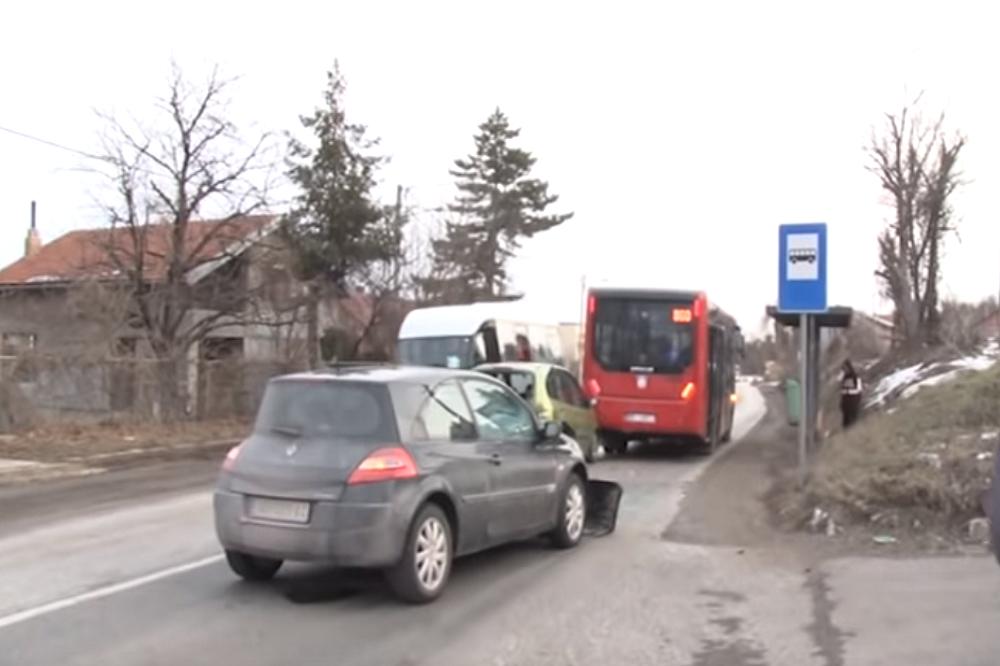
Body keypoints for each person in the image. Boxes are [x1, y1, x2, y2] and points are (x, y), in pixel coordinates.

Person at [839, 359, 863, 428]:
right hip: (846, 404)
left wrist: (849, 392)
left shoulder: (855, 377)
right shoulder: (844, 378)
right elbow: (842, 390)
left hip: (853, 403)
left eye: (845, 368)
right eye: (843, 368)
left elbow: (859, 389)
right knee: (845, 424)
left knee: (853, 422)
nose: (844, 370)